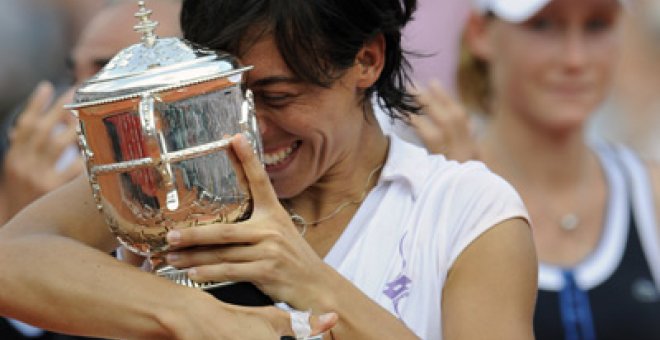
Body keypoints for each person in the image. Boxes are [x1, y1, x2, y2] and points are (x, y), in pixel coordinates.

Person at [0, 0, 537, 338]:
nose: (247, 126)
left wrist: (308, 281)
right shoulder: (185, 164)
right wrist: (196, 316)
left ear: (367, 61)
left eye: (276, 95)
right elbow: (13, 259)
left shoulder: (466, 209)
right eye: (219, 97)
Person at [411, 0, 660, 339]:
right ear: (480, 33)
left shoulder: (650, 193)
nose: (576, 59)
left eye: (597, 25)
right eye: (543, 26)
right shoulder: (428, 196)